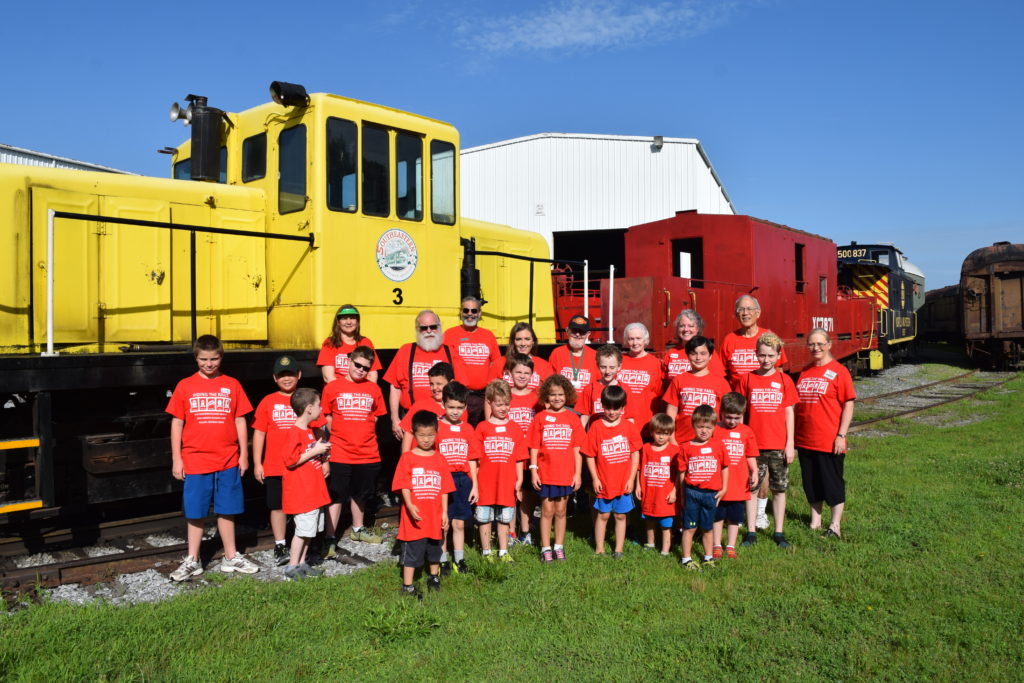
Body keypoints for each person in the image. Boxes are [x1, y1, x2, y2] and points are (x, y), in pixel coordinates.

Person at [166, 334, 259, 581]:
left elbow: (240, 420)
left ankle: (231, 556)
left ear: (221, 357)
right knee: (196, 512)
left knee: (227, 509)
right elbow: (177, 423)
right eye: (204, 359)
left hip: (228, 458)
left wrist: (244, 455)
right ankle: (193, 560)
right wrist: (177, 458)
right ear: (196, 358)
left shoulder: (232, 384)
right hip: (195, 459)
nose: (209, 364)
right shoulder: (185, 386)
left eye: (214, 359)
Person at [321, 345, 387, 550]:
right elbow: (327, 416)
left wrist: (361, 433)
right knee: (336, 495)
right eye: (357, 365)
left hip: (367, 453)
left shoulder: (374, 389)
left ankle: (358, 530)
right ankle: (330, 537)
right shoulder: (332, 387)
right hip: (340, 450)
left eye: (366, 368)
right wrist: (340, 436)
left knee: (361, 493)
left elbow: (375, 416)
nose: (361, 370)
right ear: (349, 362)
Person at [795, 328, 855, 539]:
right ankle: (815, 521)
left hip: (829, 439)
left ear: (829, 345)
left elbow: (848, 404)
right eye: (811, 344)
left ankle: (835, 525)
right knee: (810, 482)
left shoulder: (839, 371)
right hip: (805, 439)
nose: (816, 348)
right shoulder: (805, 371)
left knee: (832, 482)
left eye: (820, 343)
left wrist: (841, 435)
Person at [738, 332, 798, 546]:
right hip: (754, 446)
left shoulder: (784, 380)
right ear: (756, 355)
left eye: (771, 356)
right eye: (762, 355)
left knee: (778, 489)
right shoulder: (747, 379)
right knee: (752, 488)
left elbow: (789, 412)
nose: (766, 360)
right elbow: (741, 413)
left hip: (778, 446)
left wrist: (790, 444)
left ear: (778, 356)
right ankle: (751, 531)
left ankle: (779, 532)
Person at [392, 410, 455, 597]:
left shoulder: (439, 459)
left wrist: (444, 513)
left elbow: (444, 488)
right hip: (415, 517)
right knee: (412, 551)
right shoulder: (408, 458)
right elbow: (403, 485)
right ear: (414, 434)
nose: (426, 439)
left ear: (436, 433)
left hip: (434, 515)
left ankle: (433, 576)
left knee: (434, 548)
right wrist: (410, 505)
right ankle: (408, 585)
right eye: (421, 435)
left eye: (430, 435)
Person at [528, 374, 585, 563]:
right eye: (552, 395)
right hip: (546, 472)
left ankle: (558, 546)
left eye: (560, 394)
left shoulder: (573, 419)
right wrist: (534, 469)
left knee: (561, 510)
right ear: (546, 396)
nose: (557, 398)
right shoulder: (540, 418)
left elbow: (578, 449)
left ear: (567, 395)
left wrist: (577, 474)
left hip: (566, 473)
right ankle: (545, 548)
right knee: (547, 510)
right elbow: (534, 446)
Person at [252, 355, 302, 566]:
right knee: (277, 506)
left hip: (302, 465)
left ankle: (302, 543)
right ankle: (280, 544)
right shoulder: (268, 401)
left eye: (290, 374)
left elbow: (318, 430)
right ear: (274, 378)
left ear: (299, 375)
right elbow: (259, 434)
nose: (287, 378)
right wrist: (257, 463)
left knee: (302, 505)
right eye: (282, 375)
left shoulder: (305, 399)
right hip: (275, 465)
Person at [385, 310, 462, 441]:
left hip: (444, 419)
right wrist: (395, 419)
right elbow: (395, 386)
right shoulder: (406, 351)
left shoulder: (450, 351)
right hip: (412, 419)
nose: (429, 331)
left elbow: (459, 389)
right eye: (424, 328)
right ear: (417, 329)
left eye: (433, 327)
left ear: (439, 327)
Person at [474, 380, 529, 562]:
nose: (503, 408)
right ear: (489, 403)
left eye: (506, 404)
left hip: (507, 480)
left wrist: (519, 480)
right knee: (484, 517)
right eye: (499, 404)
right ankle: (486, 552)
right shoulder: (482, 428)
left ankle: (504, 551)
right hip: (486, 481)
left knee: (505, 518)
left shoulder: (515, 428)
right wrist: (475, 481)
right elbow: (475, 459)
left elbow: (520, 457)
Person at [584, 385, 641, 557]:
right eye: (608, 407)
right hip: (604, 481)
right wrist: (595, 478)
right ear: (602, 406)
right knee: (603, 515)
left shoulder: (629, 427)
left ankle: (618, 549)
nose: (612, 412)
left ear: (623, 408)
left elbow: (635, 453)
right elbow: (589, 455)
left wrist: (632, 479)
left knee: (621, 516)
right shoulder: (596, 427)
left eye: (616, 408)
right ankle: (599, 549)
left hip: (623, 481)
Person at [281, 388, 331, 580]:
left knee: (310, 530)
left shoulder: (309, 431)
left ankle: (302, 562)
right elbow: (290, 460)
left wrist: (321, 452)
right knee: (302, 531)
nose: (321, 408)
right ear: (309, 408)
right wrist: (314, 451)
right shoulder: (294, 432)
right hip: (302, 492)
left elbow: (308, 454)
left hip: (313, 490)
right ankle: (292, 566)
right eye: (318, 405)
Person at [433, 381, 480, 575]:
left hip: (462, 479)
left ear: (465, 407)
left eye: (460, 408)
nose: (455, 412)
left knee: (459, 522)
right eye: (451, 407)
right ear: (443, 404)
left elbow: (472, 460)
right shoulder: (435, 427)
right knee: (443, 524)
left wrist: (475, 485)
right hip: (443, 480)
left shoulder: (468, 429)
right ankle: (443, 560)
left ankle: (459, 560)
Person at [678, 405, 729, 570]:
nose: (704, 431)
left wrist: (724, 488)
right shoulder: (686, 447)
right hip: (692, 492)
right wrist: (682, 494)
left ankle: (708, 557)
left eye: (708, 427)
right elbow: (681, 473)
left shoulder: (719, 446)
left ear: (714, 426)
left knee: (708, 528)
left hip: (711, 495)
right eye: (700, 426)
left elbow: (725, 467)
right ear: (693, 425)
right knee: (690, 527)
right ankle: (686, 558)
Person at [712, 393, 759, 558]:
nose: (732, 421)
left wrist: (754, 471)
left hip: (738, 483)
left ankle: (731, 545)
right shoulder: (714, 429)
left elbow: (750, 455)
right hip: (718, 483)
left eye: (736, 418)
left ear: (742, 415)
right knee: (717, 516)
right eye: (728, 417)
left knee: (734, 518)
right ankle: (716, 544)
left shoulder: (746, 431)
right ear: (721, 412)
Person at [663, 336, 731, 446]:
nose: (698, 357)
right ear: (687, 355)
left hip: (712, 443)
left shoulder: (721, 382)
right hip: (682, 441)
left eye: (703, 353)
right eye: (694, 353)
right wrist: (671, 439)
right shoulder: (679, 380)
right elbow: (671, 412)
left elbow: (727, 414)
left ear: (710, 356)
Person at [443, 296, 501, 424]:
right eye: (466, 310)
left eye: (474, 311)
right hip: (459, 397)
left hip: (483, 397)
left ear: (479, 313)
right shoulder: (449, 335)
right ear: (461, 312)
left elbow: (496, 364)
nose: (470, 314)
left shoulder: (488, 335)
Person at [717, 295, 788, 390]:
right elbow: (721, 374)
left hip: (763, 395)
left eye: (749, 309)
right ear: (736, 315)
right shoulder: (729, 340)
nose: (745, 313)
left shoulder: (769, 337)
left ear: (758, 313)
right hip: (738, 399)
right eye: (741, 309)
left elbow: (779, 370)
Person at [636, 413, 679, 556]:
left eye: (666, 434)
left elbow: (680, 473)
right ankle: (650, 543)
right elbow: (639, 468)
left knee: (666, 524)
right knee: (649, 519)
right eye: (658, 433)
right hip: (649, 492)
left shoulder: (674, 450)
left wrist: (675, 491)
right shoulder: (646, 448)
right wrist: (638, 485)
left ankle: (665, 550)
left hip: (665, 494)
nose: (661, 437)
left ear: (670, 434)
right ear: (652, 432)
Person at [399, 362, 457, 451]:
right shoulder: (420, 405)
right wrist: (405, 459)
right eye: (431, 384)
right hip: (418, 459)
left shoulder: (457, 408)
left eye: (439, 384)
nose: (434, 388)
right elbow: (408, 433)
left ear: (451, 383)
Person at [316, 305, 381, 384]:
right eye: (344, 318)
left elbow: (372, 375)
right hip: (338, 391)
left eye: (352, 318)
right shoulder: (329, 343)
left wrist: (363, 392)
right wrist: (349, 391)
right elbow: (328, 378)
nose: (349, 322)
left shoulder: (366, 342)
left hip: (361, 392)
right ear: (338, 322)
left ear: (357, 321)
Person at [619, 322, 664, 429]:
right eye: (631, 339)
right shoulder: (619, 360)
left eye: (638, 338)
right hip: (622, 422)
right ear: (626, 340)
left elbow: (658, 394)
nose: (635, 343)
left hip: (645, 423)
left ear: (645, 340)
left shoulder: (655, 363)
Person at [578, 344, 634, 428]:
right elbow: (585, 417)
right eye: (603, 367)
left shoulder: (625, 389)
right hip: (597, 436)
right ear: (597, 366)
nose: (607, 371)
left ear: (619, 367)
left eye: (612, 367)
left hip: (618, 436)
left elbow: (629, 418)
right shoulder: (590, 388)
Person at [663, 310, 725, 382]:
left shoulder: (706, 351)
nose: (686, 329)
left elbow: (719, 380)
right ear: (677, 329)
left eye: (691, 326)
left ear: (698, 329)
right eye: (682, 326)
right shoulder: (671, 352)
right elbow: (664, 381)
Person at [489, 322, 554, 390]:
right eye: (518, 339)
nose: (523, 343)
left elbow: (550, 393)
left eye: (527, 339)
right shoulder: (499, 363)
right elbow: (490, 392)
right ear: (513, 342)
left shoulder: (545, 366)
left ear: (533, 342)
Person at [548, 315, 599, 392]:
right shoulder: (557, 353)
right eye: (574, 331)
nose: (578, 335)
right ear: (567, 331)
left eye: (582, 332)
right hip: (563, 403)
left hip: (586, 403)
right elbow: (550, 382)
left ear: (588, 334)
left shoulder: (595, 356)